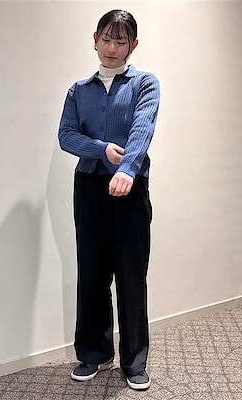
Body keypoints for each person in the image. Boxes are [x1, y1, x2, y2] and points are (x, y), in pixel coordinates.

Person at [58, 9, 160, 391]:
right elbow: (66, 135)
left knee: (131, 276)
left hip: (129, 189)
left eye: (120, 41)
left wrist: (127, 169)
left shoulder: (145, 84)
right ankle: (93, 353)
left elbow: (142, 128)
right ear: (95, 39)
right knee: (91, 272)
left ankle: (134, 361)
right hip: (88, 187)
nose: (112, 48)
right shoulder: (78, 90)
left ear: (133, 45)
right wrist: (101, 149)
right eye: (106, 39)